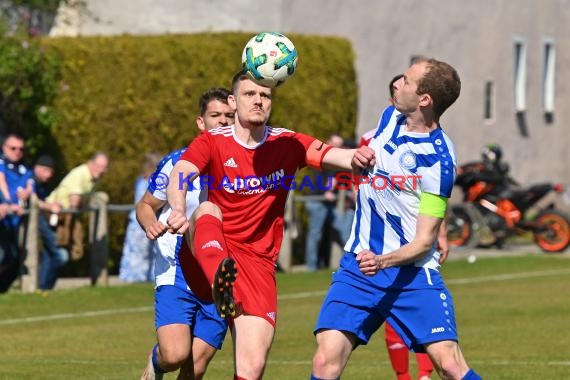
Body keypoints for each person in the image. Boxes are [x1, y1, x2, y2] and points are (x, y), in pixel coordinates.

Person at [165, 71, 373, 380]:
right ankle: (219, 280)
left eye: (265, 95)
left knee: (253, 367)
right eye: (250, 94)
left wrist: (362, 155)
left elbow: (334, 155)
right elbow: (181, 172)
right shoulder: (212, 140)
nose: (259, 100)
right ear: (233, 102)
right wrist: (179, 208)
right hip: (209, 248)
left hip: (257, 263)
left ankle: (225, 287)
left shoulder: (287, 142)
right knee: (208, 208)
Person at [311, 58, 482, 380]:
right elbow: (369, 161)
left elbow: (424, 241)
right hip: (359, 268)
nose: (397, 85)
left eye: (406, 80)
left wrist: (384, 260)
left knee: (450, 365)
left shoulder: (438, 160)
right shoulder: (389, 117)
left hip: (411, 274)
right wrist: (358, 157)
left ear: (425, 100)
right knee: (325, 360)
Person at [138, 87, 235, 380]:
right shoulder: (176, 163)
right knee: (175, 355)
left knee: (195, 367)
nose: (222, 121)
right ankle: (155, 363)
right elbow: (145, 205)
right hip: (176, 270)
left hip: (219, 275)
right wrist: (150, 223)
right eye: (215, 115)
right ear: (201, 123)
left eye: (229, 116)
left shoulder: (244, 167)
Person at [46, 152, 109, 261]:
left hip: (67, 214)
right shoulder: (81, 173)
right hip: (53, 214)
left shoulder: (95, 178)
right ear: (90, 163)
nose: (101, 170)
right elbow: (74, 201)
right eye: (99, 166)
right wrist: (84, 202)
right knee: (58, 252)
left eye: (104, 168)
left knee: (69, 250)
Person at [119, 152, 162, 283]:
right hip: (145, 221)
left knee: (136, 254)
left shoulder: (140, 180)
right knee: (143, 254)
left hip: (136, 223)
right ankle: (139, 279)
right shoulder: (152, 183)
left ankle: (134, 279)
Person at [304, 133, 344, 272]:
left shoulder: (334, 161)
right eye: (335, 144)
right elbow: (316, 181)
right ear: (328, 143)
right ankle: (311, 268)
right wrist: (326, 191)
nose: (338, 147)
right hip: (317, 201)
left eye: (340, 145)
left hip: (328, 203)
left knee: (342, 232)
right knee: (315, 235)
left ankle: (353, 265)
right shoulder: (321, 158)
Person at [29, 155, 70, 291]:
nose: (49, 175)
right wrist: (49, 206)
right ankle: (44, 287)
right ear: (37, 168)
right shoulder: (30, 179)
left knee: (49, 253)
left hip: (45, 221)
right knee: (61, 256)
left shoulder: (46, 185)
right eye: (46, 170)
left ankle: (43, 288)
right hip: (33, 221)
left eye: (51, 171)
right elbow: (32, 199)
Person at [0, 134, 33, 293]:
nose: (17, 152)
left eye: (21, 149)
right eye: (13, 148)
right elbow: (1, 182)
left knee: (13, 258)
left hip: (13, 221)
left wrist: (27, 192)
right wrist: (7, 203)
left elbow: (30, 184)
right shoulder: (1, 164)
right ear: (4, 148)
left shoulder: (24, 168)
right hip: (3, 217)